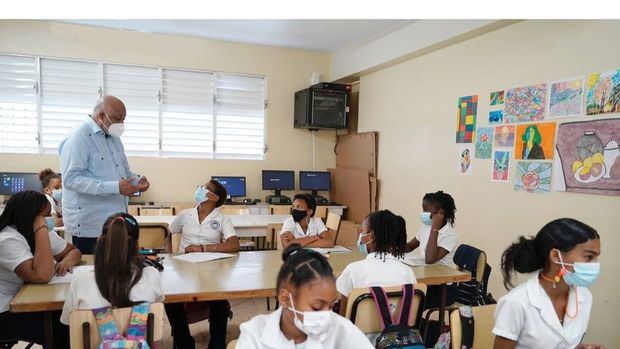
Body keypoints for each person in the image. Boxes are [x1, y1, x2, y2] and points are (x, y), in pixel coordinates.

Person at [493, 218, 605, 349]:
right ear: (556, 256)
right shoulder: (516, 303)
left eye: (597, 257)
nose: (595, 265)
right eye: (588, 257)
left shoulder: (584, 297)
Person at [237, 244, 374, 349]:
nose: (326, 314)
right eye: (317, 307)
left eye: (331, 306)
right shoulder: (254, 334)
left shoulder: (342, 330)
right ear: (285, 299)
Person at [59, 95, 150, 254]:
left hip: (116, 224)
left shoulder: (114, 138)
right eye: (117, 119)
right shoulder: (79, 137)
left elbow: (124, 171)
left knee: (116, 272)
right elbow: (71, 180)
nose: (121, 124)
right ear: (101, 116)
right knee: (92, 273)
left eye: (123, 119)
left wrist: (137, 181)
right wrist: (115, 187)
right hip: (91, 226)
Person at [0, 191, 81, 347]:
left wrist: (66, 262)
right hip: (5, 309)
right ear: (32, 216)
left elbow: (73, 251)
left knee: (71, 314)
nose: (50, 219)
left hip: (25, 299)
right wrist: (41, 229)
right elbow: (41, 276)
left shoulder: (38, 230)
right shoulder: (7, 239)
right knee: (62, 328)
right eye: (45, 215)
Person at [164, 179, 238, 349]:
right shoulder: (185, 214)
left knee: (218, 300)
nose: (200, 189)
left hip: (210, 269)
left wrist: (203, 248)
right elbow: (169, 232)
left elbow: (234, 245)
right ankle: (184, 341)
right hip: (184, 267)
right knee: (170, 299)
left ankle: (217, 342)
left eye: (205, 188)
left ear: (213, 196)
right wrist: (170, 255)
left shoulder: (222, 218)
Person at [60, 212, 164, 325]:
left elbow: (68, 321)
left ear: (100, 240)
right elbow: (156, 315)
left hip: (92, 343)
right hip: (138, 341)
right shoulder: (152, 275)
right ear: (137, 246)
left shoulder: (80, 280)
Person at [336, 209, 416, 315]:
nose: (360, 235)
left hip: (359, 331)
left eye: (362, 231)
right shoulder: (408, 272)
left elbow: (344, 317)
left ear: (371, 236)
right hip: (397, 330)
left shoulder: (353, 270)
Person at [405, 190, 459, 308]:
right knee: (404, 296)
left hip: (443, 288)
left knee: (412, 304)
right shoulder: (426, 226)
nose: (423, 213)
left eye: (426, 210)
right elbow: (409, 246)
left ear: (441, 212)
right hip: (427, 280)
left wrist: (435, 228)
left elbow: (430, 259)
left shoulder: (450, 235)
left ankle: (420, 326)